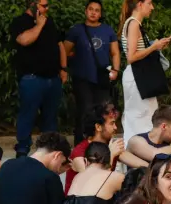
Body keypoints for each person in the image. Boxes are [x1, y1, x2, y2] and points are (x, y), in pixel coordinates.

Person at [11, 0, 68, 157]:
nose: (46, 8)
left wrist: (63, 68)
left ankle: (49, 151)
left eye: (47, 5)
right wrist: (39, 25)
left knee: (50, 118)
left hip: (53, 78)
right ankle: (22, 151)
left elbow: (60, 45)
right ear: (32, 4)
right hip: (32, 78)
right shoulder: (20, 22)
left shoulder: (50, 22)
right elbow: (24, 40)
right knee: (27, 115)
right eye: (43, 5)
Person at [63, 0, 121, 145]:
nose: (93, 12)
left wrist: (115, 69)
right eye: (91, 9)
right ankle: (81, 146)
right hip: (82, 78)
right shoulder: (77, 30)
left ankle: (101, 144)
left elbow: (115, 52)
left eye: (97, 10)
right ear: (86, 11)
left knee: (104, 111)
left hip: (102, 79)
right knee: (85, 111)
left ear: (100, 14)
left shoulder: (107, 30)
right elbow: (64, 50)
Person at [119, 0, 171, 146]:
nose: (152, 7)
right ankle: (136, 153)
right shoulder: (134, 23)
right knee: (139, 117)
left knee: (147, 116)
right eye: (149, 3)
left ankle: (143, 152)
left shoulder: (135, 24)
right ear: (140, 4)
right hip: (137, 76)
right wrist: (153, 47)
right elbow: (131, 57)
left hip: (140, 76)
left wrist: (156, 46)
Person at [65, 103, 144, 193]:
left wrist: (158, 168)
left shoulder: (110, 145)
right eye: (112, 123)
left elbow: (141, 164)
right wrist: (110, 154)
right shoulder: (79, 154)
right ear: (98, 127)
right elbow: (97, 183)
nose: (115, 127)